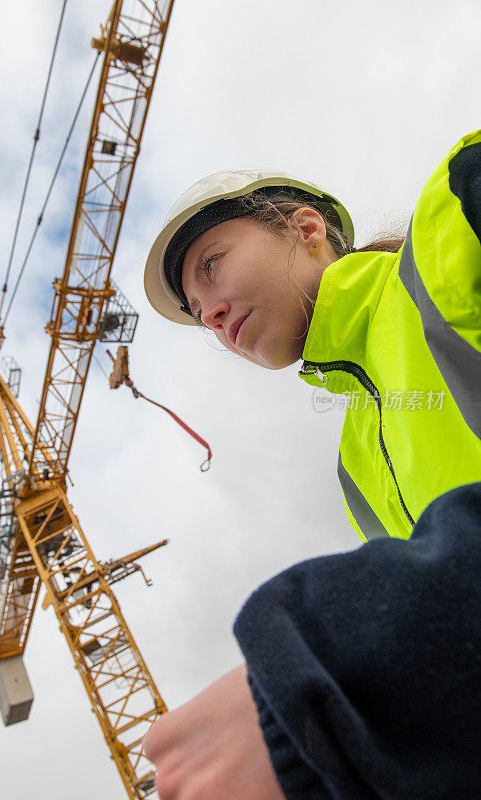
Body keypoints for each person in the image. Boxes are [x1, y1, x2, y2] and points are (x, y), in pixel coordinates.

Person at [142, 131, 481, 799]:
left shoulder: (458, 220)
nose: (209, 314)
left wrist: (339, 672)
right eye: (195, 311)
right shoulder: (356, 468)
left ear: (306, 227)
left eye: (212, 264)